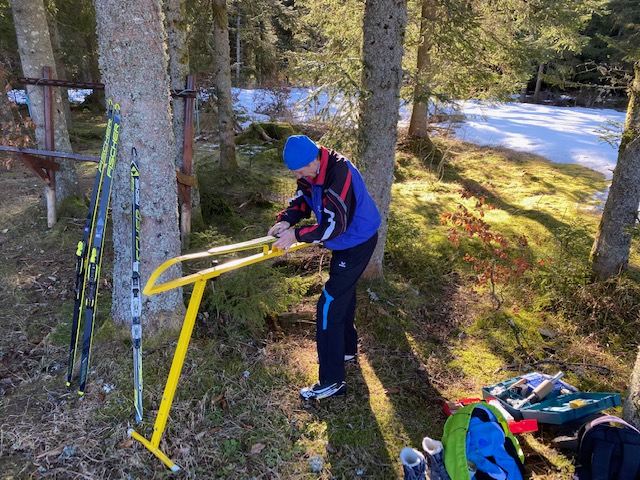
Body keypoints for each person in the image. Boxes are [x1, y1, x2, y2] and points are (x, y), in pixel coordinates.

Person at [268, 135, 381, 400]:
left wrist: (297, 235)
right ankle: (346, 350)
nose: (298, 176)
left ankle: (332, 381)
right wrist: (286, 220)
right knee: (343, 295)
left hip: (357, 239)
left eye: (300, 171)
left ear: (314, 160)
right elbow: (302, 199)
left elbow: (334, 226)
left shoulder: (339, 174)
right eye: (295, 172)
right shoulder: (310, 170)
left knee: (329, 304)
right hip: (345, 241)